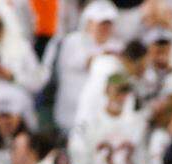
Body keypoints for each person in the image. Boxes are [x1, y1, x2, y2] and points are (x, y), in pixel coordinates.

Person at [69, 73, 150, 164]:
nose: (121, 96)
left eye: (125, 91)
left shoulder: (136, 123)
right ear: (107, 90)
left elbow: (142, 163)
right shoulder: (90, 124)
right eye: (118, 90)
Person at [47, 0, 121, 134]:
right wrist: (106, 56)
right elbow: (87, 62)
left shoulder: (117, 45)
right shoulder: (73, 41)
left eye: (108, 23)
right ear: (88, 22)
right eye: (101, 23)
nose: (105, 28)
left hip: (101, 118)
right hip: (71, 116)